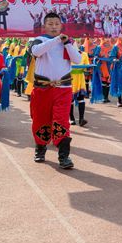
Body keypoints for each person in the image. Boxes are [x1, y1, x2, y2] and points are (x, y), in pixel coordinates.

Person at [28, 12, 82, 169]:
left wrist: (66, 43)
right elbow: (36, 52)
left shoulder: (68, 42)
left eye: (56, 24)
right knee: (40, 119)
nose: (53, 27)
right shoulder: (37, 40)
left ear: (61, 26)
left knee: (61, 121)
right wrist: (57, 39)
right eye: (50, 24)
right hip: (42, 89)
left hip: (63, 88)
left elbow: (77, 59)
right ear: (44, 26)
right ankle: (40, 148)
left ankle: (64, 155)